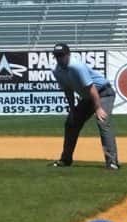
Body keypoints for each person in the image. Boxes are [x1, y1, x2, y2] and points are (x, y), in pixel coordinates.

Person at [50, 43, 120, 171]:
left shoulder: (77, 66)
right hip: (88, 97)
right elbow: (68, 90)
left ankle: (112, 162)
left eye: (62, 56)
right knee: (71, 123)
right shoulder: (57, 71)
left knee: (102, 121)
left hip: (103, 93)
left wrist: (98, 108)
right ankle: (66, 159)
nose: (60, 59)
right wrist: (72, 110)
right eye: (57, 56)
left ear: (68, 55)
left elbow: (92, 88)